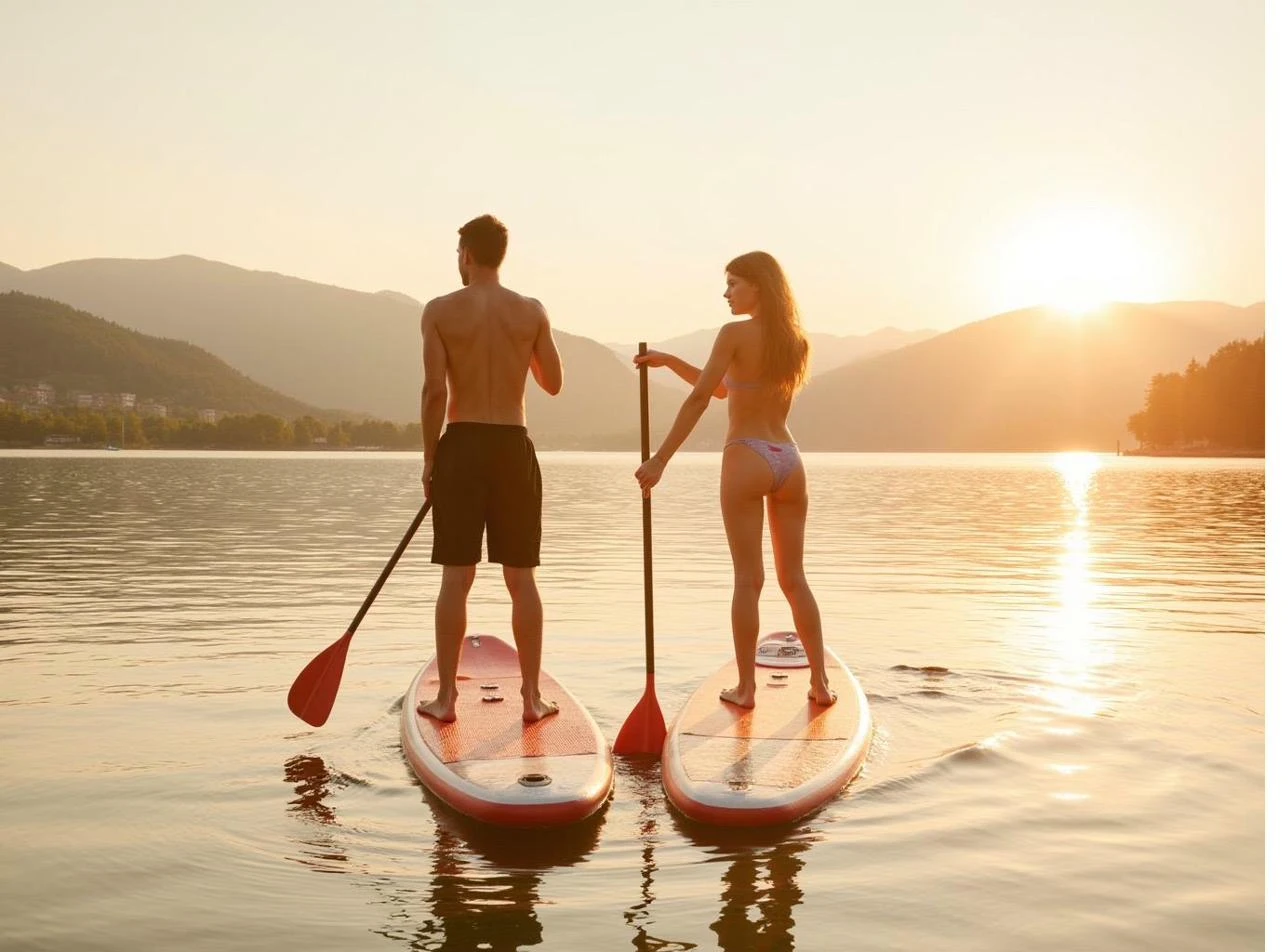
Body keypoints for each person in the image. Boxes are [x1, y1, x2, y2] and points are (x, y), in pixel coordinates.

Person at [634, 251, 835, 708]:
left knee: (748, 580)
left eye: (733, 284)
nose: (726, 293)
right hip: (789, 459)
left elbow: (702, 398)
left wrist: (660, 460)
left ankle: (746, 689)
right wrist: (670, 361)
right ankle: (820, 684)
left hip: (746, 455)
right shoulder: (795, 342)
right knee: (794, 579)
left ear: (757, 286)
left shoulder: (733, 334)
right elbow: (727, 387)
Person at [418, 214, 564, 723]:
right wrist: (521, 344)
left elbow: (435, 391)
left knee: (456, 578)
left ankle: (446, 700)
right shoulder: (531, 311)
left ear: (466, 254)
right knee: (522, 579)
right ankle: (531, 698)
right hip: (511, 446)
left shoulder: (440, 311)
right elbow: (553, 383)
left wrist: (430, 459)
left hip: (461, 445)